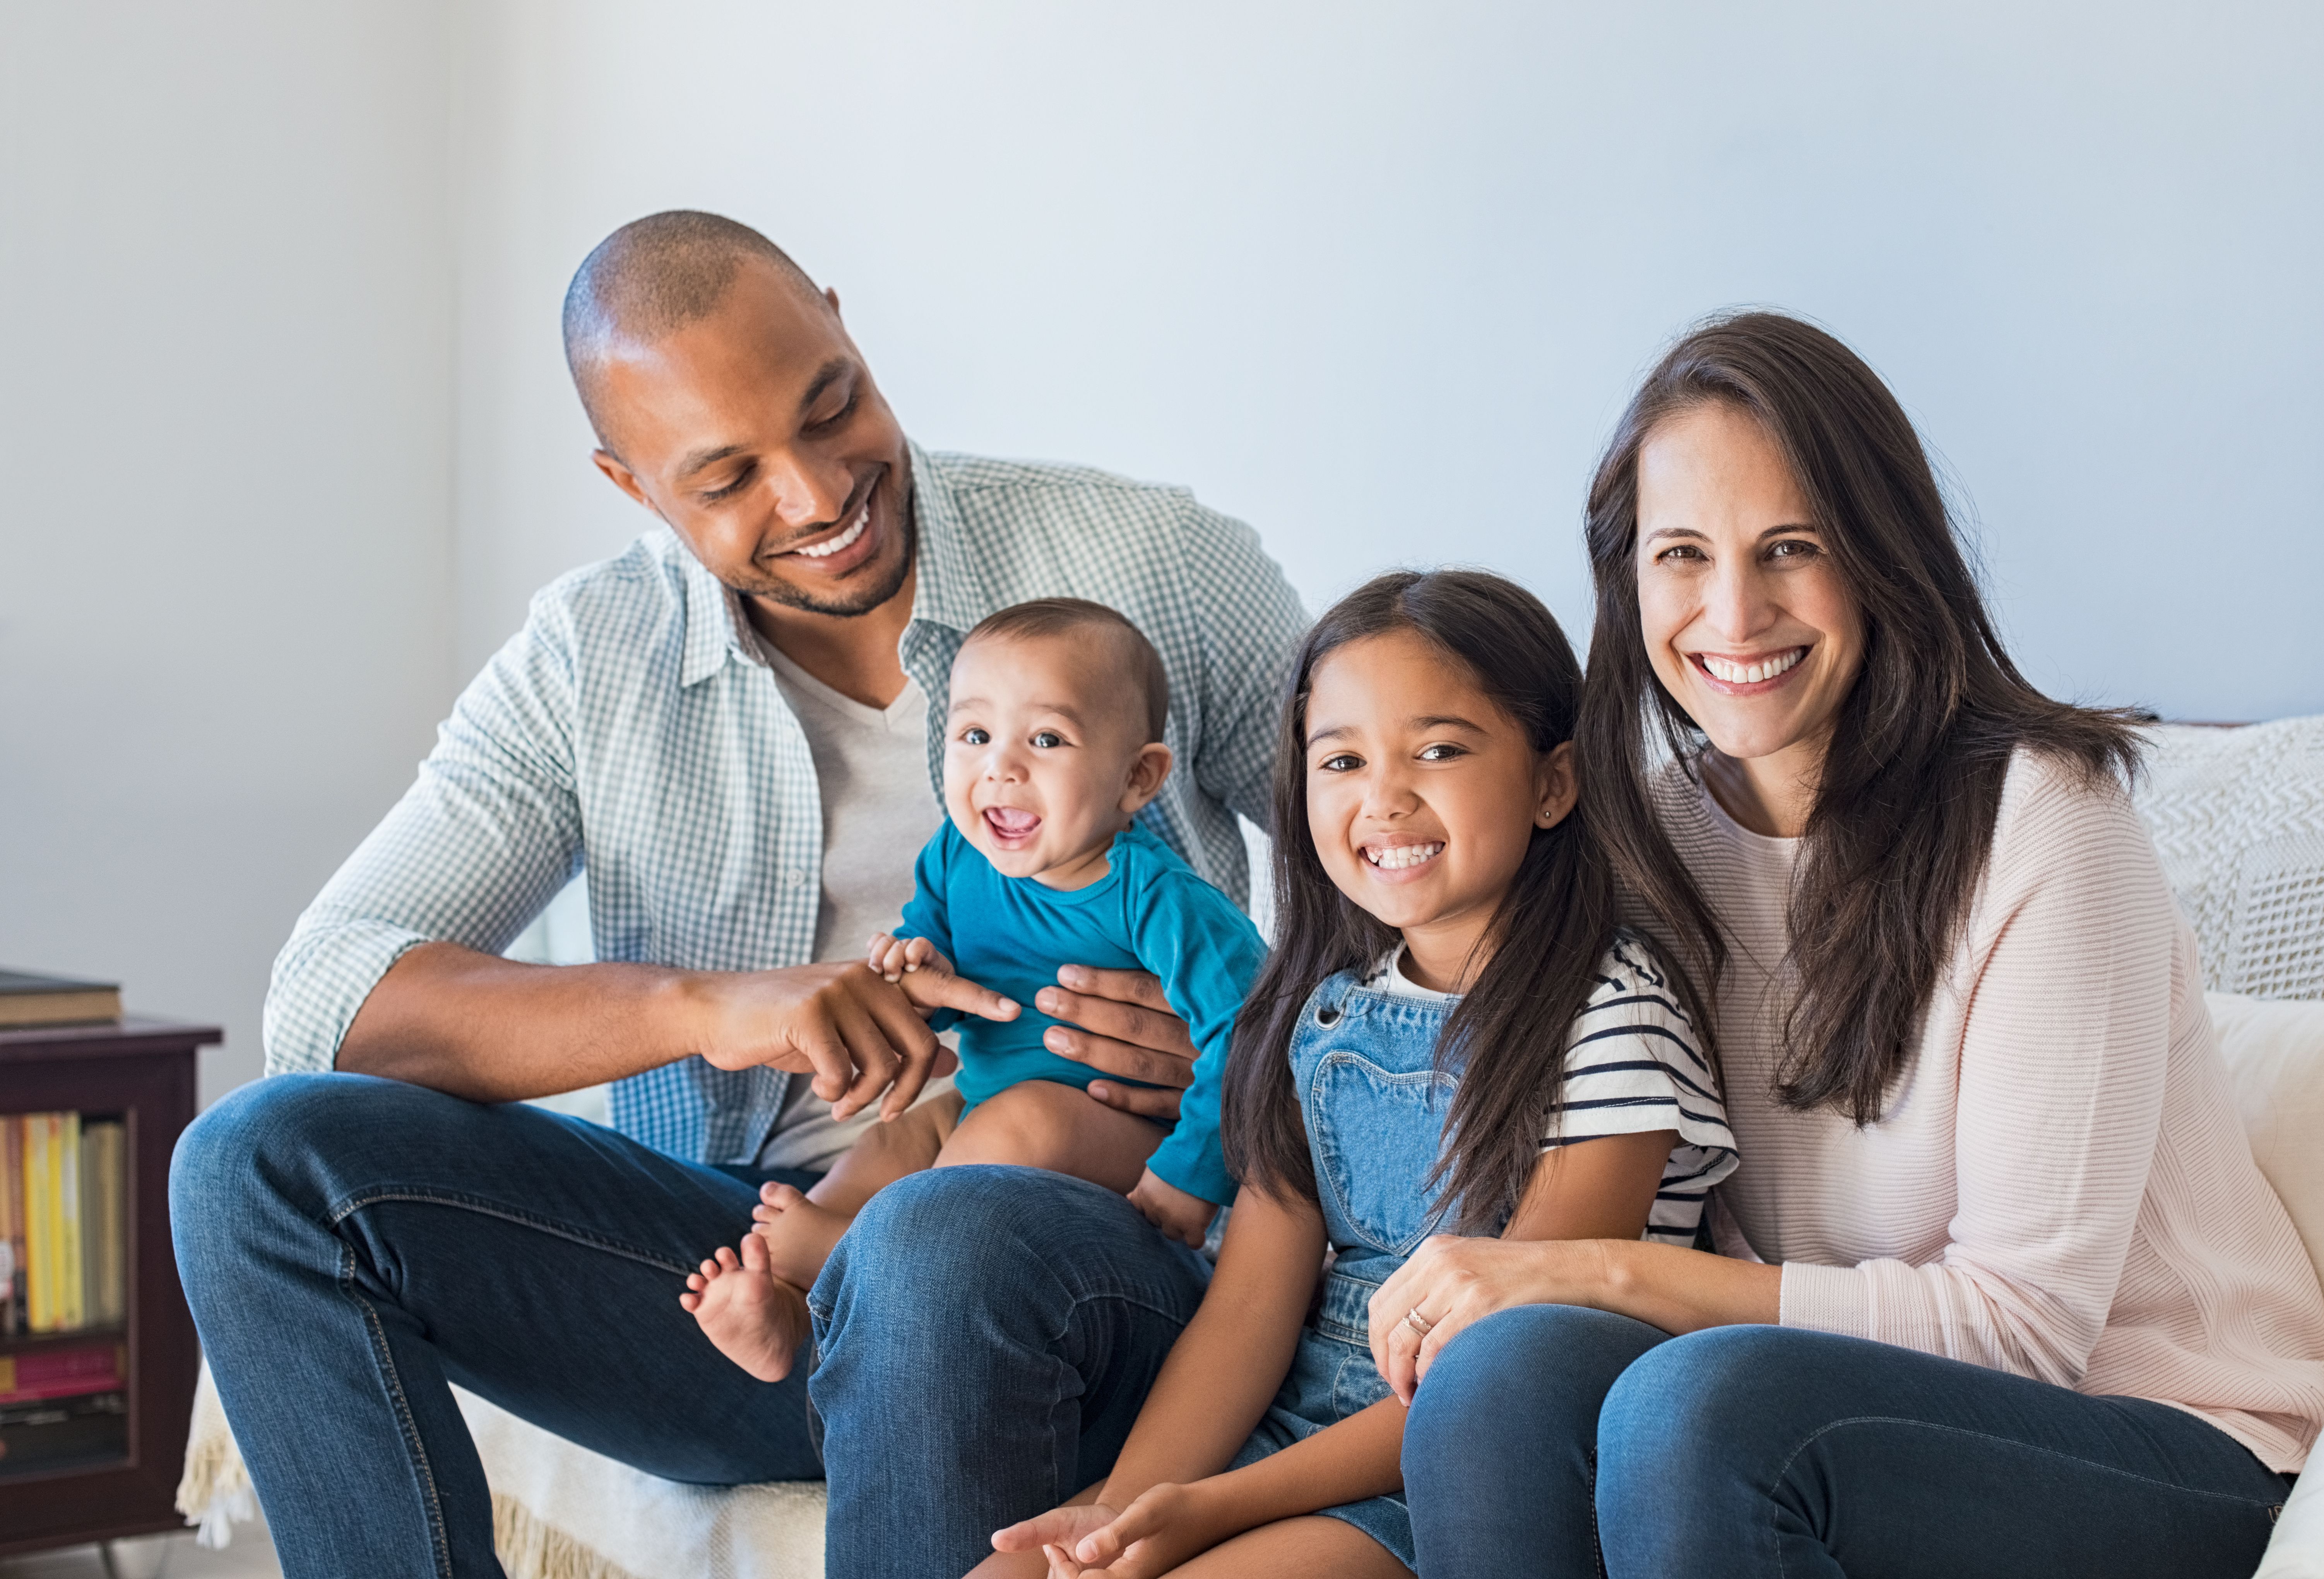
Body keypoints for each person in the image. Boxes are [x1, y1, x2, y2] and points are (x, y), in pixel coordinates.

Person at [166, 211, 1307, 1579]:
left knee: (943, 1229)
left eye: (834, 406)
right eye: (729, 479)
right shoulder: (591, 662)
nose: (821, 494)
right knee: (255, 1164)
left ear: (839, 320)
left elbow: (1413, 881)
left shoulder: (1145, 566)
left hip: (1089, 1255)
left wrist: (1243, 1065)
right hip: (758, 1272)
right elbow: (328, 995)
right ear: (630, 483)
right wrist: (713, 1006)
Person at [1383, 312, 2324, 1577]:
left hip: (2165, 1446)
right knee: (1507, 1373)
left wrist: (1610, 1274)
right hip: (1817, 1421)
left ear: (1882, 556)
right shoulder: (1645, 840)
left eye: (1790, 548)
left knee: (1699, 1406)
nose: (1733, 612)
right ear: (1628, 581)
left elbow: (2025, 1333)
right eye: (1682, 555)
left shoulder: (2045, 817)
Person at [988, 570, 1737, 1578]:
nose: (1383, 796)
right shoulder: (1323, 1010)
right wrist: (1124, 1509)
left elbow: (1499, 1361)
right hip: (1293, 1434)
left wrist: (1209, 1513)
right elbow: (1250, 1308)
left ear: (1553, 782)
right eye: (1341, 759)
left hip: (1464, 1471)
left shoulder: (1611, 1015)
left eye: (1439, 749)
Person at [686, 598, 1268, 1382]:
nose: (1001, 767)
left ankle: (857, 1253)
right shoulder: (957, 858)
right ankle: (794, 1303)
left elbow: (1255, 1031)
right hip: (982, 1113)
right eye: (975, 735)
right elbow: (931, 954)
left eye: (1048, 740)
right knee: (899, 1139)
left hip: (1115, 1136)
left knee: (1020, 1122)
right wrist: (912, 971)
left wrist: (1189, 1178)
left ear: (1138, 778)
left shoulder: (1158, 899)